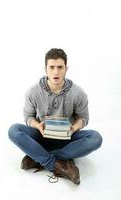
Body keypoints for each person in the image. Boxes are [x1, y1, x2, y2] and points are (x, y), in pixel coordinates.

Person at [8, 48, 102, 185]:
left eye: (60, 67)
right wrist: (37, 125)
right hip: (42, 135)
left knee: (96, 138)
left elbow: (83, 118)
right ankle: (57, 164)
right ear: (45, 69)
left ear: (66, 68)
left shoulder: (78, 93)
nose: (56, 72)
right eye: (51, 67)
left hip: (68, 138)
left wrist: (73, 128)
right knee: (14, 130)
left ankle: (39, 157)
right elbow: (28, 117)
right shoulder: (33, 92)